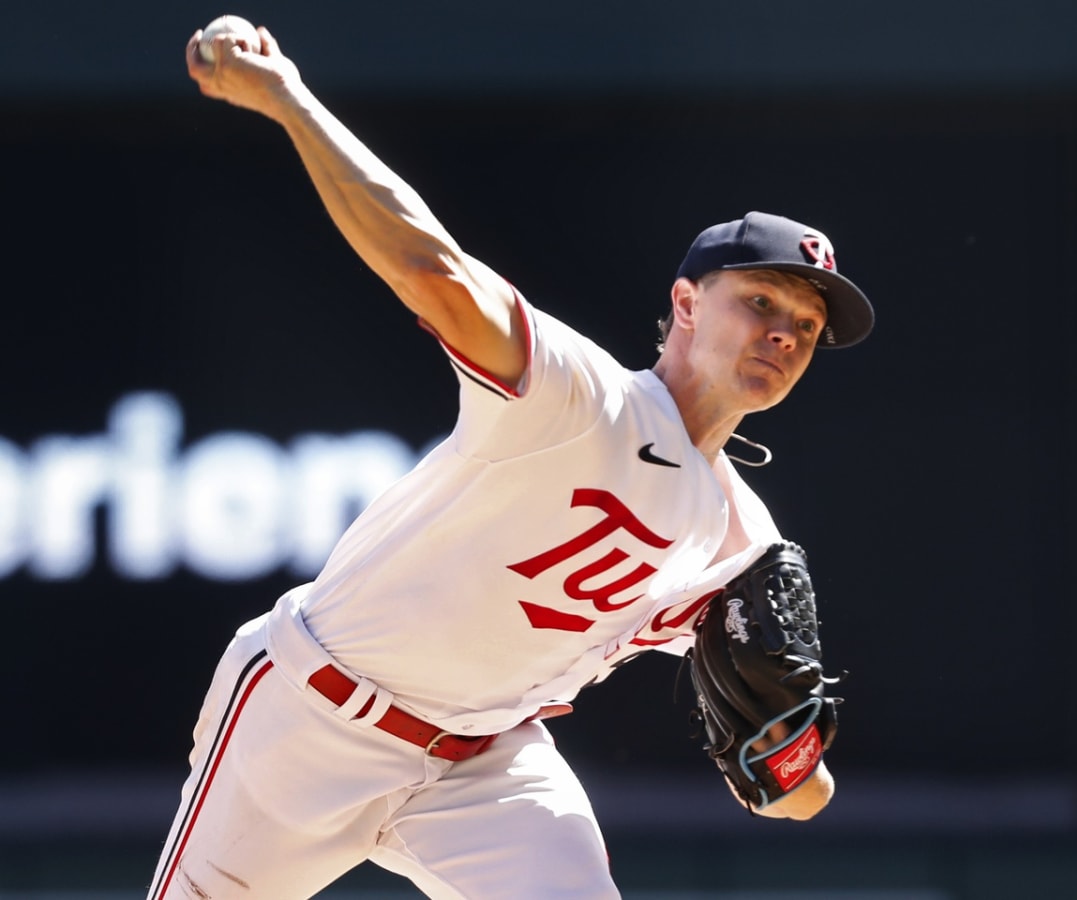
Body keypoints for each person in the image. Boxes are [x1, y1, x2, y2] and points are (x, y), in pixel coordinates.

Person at [150, 20, 875, 900]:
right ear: (686, 302)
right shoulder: (579, 398)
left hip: (486, 764)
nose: (782, 334)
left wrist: (797, 764)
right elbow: (430, 267)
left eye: (805, 327)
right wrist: (288, 99)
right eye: (759, 300)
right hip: (312, 719)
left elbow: (789, 799)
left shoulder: (740, 537)